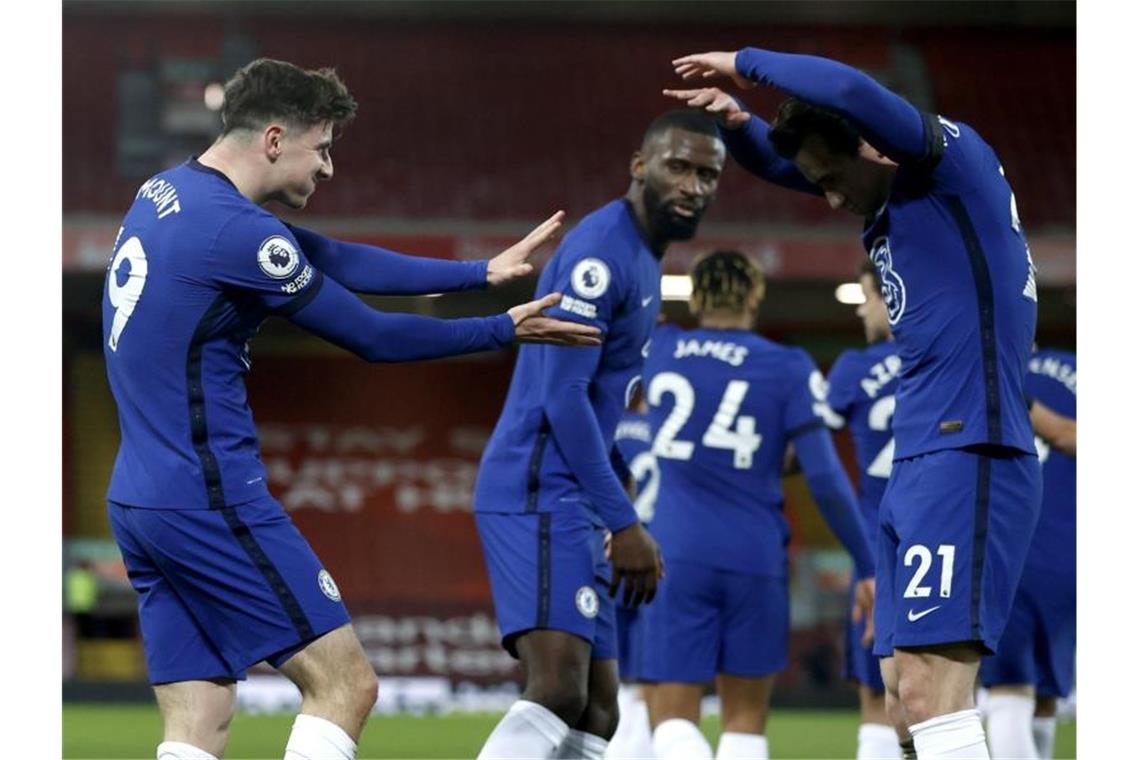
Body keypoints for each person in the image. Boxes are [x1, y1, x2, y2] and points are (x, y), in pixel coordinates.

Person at [102, 58, 600, 760]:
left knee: (198, 718)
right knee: (345, 685)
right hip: (206, 494)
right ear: (275, 139)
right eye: (323, 147)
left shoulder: (167, 192)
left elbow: (334, 257)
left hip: (139, 500)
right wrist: (502, 326)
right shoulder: (237, 233)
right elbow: (373, 335)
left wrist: (478, 274)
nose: (329, 168)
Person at [664, 47, 1042, 760]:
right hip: (921, 459)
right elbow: (789, 165)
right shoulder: (893, 195)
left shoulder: (948, 166)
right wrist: (743, 125)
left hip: (970, 451)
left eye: (834, 179)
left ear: (873, 143)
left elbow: (845, 87)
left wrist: (748, 63)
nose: (830, 200)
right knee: (900, 700)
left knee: (935, 694)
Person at [472, 110, 726, 760]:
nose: (693, 185)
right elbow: (562, 396)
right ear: (639, 167)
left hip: (574, 499)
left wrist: (615, 481)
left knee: (600, 711)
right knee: (556, 689)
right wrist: (625, 521)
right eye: (678, 166)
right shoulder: (599, 255)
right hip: (538, 492)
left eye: (708, 174)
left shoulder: (642, 258)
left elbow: (588, 397)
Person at [638, 250, 875, 760]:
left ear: (696, 296)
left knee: (671, 719)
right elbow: (826, 479)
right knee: (745, 724)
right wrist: (866, 560)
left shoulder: (661, 348)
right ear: (754, 296)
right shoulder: (787, 366)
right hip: (756, 555)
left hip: (677, 552)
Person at [980, 348, 1076, 760]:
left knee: (1008, 691)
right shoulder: (1073, 371)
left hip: (1004, 548)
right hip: (1069, 555)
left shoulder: (976, 373)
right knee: (1047, 696)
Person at [824, 261, 903, 760]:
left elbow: (808, 450)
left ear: (890, 297)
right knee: (952, 691)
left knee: (877, 698)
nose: (861, 308)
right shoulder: (945, 357)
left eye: (868, 296)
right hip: (950, 536)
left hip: (880, 547)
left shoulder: (854, 367)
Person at [605, 394, 659, 760]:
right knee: (649, 670)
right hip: (657, 551)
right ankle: (638, 750)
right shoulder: (667, 429)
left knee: (610, 665)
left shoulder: (607, 422)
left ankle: (611, 749)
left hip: (611, 547)